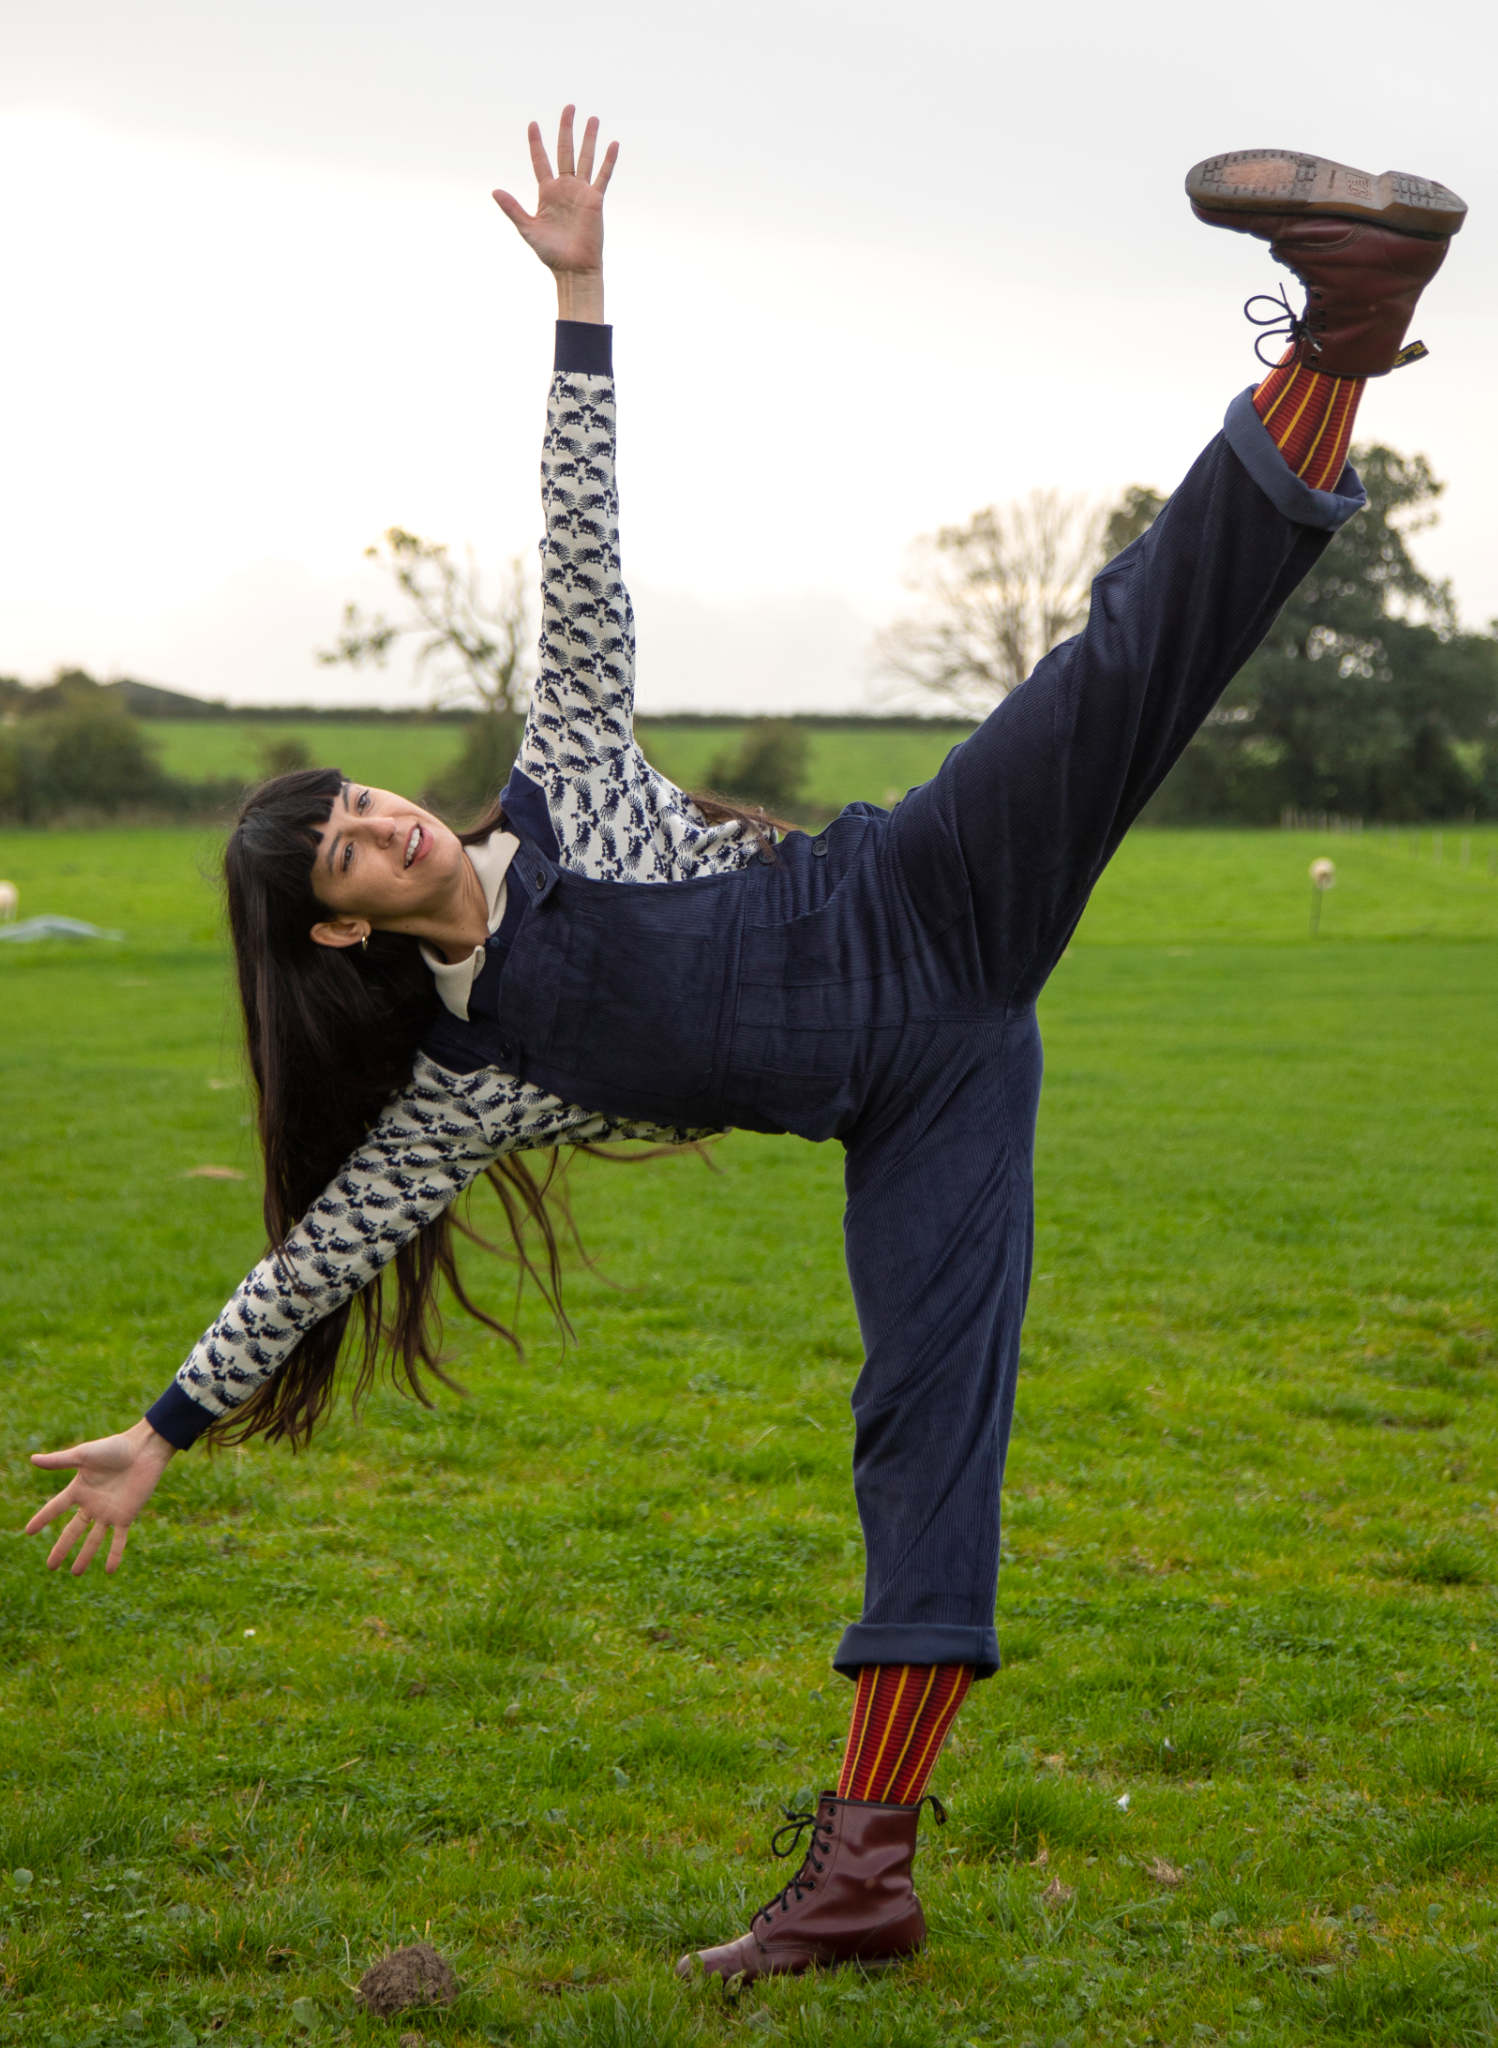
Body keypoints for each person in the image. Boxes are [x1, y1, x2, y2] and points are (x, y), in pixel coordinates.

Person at [24, 119, 1465, 1984]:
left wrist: (577, 294)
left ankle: (1341, 325)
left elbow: (580, 532)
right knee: (920, 1438)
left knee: (1124, 651)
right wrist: (157, 1432)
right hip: (924, 1093)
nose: (386, 824)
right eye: (348, 851)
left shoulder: (579, 786)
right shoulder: (484, 1077)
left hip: (929, 892)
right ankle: (864, 1872)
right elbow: (320, 1253)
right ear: (339, 928)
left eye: (371, 798)